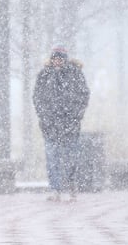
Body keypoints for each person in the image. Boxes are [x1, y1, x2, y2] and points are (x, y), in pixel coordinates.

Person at [33, 46, 90, 202]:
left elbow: (83, 96)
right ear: (51, 59)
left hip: (70, 126)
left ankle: (72, 186)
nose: (57, 61)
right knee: (52, 159)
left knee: (70, 159)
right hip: (50, 127)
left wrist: (76, 116)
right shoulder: (44, 75)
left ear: (65, 59)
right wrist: (44, 117)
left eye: (60, 59)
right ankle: (55, 190)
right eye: (55, 59)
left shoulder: (75, 74)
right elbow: (37, 97)